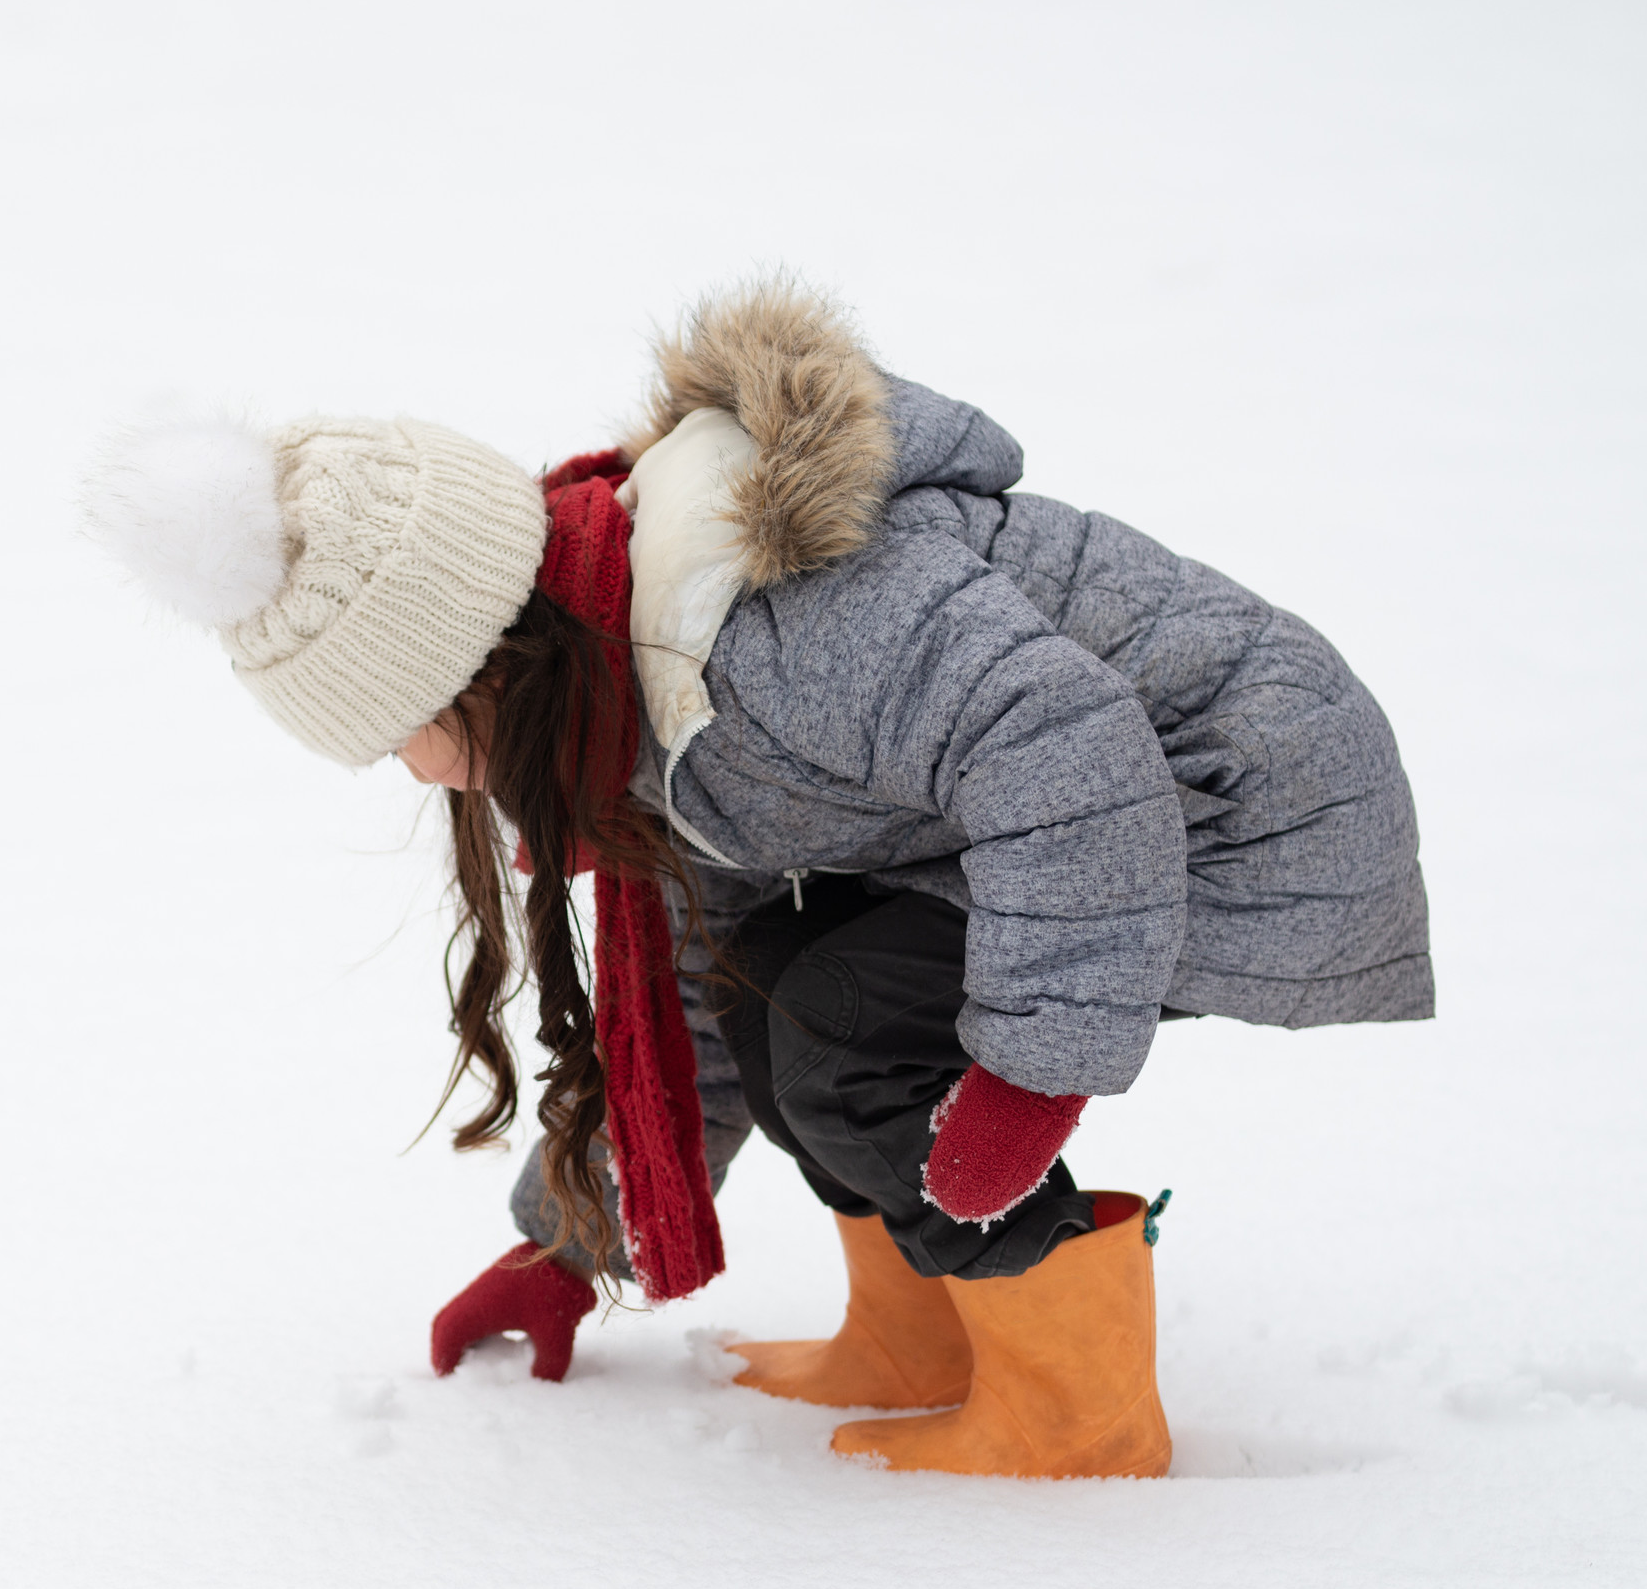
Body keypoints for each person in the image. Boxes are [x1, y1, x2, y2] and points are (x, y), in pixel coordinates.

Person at [84, 278, 1431, 1480]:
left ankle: (1078, 1405)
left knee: (844, 1024)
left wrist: (1028, 1071)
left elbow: (1065, 746)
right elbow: (687, 989)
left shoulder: (780, 640)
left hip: (1246, 803)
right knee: (773, 990)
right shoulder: (643, 685)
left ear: (479, 666)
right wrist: (567, 1237)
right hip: (1077, 827)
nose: (420, 775)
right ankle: (918, 1338)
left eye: (403, 733)